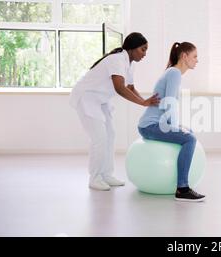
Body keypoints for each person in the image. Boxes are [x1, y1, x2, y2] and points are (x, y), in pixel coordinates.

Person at [70, 32, 160, 191]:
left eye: (146, 50)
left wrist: (146, 103)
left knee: (110, 134)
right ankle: (95, 177)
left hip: (101, 100)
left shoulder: (130, 63)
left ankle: (106, 174)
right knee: (99, 138)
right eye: (142, 49)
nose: (144, 54)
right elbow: (120, 88)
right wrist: (143, 102)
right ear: (132, 48)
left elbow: (131, 87)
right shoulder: (117, 59)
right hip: (87, 97)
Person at [138, 42, 205, 202]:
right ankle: (182, 189)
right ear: (184, 56)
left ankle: (182, 184)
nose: (197, 60)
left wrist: (177, 127)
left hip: (154, 124)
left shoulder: (172, 72)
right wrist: (175, 128)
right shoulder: (174, 73)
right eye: (194, 56)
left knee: (189, 132)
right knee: (189, 139)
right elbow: (169, 103)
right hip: (150, 126)